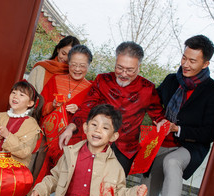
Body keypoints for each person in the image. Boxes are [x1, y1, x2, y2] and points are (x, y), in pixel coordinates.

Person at [136, 35, 214, 196]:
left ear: (206, 63)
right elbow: (152, 105)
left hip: (190, 146)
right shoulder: (170, 80)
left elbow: (209, 133)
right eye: (184, 58)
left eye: (192, 61)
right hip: (160, 143)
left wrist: (178, 128)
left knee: (172, 162)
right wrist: (158, 121)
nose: (185, 64)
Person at [59, 41, 166, 176]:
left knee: (112, 192)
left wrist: (162, 122)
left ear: (139, 67)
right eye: (119, 68)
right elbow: (86, 108)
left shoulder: (147, 88)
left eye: (130, 70)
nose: (123, 74)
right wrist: (71, 127)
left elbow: (158, 115)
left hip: (125, 151)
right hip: (96, 142)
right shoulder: (102, 80)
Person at [37, 45, 93, 182]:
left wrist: (79, 110)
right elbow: (40, 108)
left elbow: (92, 116)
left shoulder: (92, 89)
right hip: (47, 139)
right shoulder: (55, 79)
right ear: (68, 63)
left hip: (72, 143)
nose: (77, 69)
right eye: (73, 64)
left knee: (63, 183)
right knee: (38, 177)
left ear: (89, 66)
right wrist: (53, 105)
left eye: (82, 65)